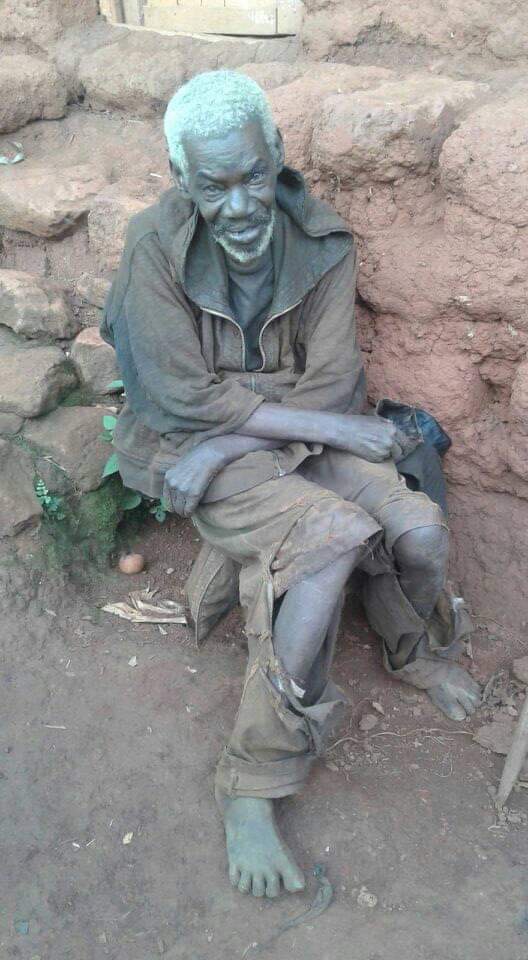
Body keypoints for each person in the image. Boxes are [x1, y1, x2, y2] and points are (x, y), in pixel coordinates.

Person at [101, 70, 481, 900]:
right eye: (214, 187)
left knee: (417, 531)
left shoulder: (323, 243)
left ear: (277, 154)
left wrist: (244, 428)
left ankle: (414, 649)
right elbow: (177, 399)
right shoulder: (153, 249)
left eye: (252, 177)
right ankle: (253, 779)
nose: (239, 206)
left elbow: (336, 383)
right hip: (187, 447)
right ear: (182, 182)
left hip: (270, 435)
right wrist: (295, 429)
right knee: (331, 538)